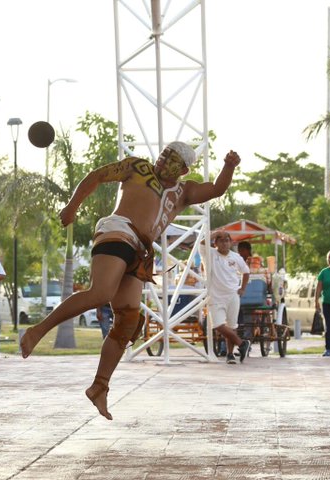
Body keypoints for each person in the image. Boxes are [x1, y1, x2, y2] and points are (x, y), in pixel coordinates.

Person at [20, 142, 240, 420]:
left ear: (183, 169)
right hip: (118, 229)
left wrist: (229, 167)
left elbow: (217, 189)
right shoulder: (137, 167)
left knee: (128, 320)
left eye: (169, 160)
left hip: (139, 250)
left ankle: (100, 386)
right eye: (161, 156)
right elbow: (97, 176)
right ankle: (38, 330)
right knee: (100, 293)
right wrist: (72, 206)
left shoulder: (184, 192)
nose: (161, 163)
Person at [207, 230, 250, 364]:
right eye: (221, 240)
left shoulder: (236, 257)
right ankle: (242, 343)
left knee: (231, 326)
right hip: (215, 296)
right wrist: (217, 232)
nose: (224, 243)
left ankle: (230, 354)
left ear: (231, 243)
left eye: (227, 240)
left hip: (232, 295)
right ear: (216, 243)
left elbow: (246, 272)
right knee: (218, 325)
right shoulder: (211, 254)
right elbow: (202, 242)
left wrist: (242, 288)